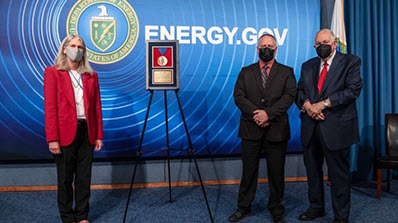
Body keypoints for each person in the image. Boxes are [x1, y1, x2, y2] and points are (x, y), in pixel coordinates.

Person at [295, 29, 363, 223]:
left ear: (334, 44)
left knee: (339, 176)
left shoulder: (351, 62)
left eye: (325, 42)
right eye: (317, 44)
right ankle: (316, 207)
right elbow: (299, 91)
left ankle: (341, 216)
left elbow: (353, 90)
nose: (321, 46)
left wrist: (323, 104)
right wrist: (307, 105)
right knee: (313, 173)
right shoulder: (307, 66)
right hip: (311, 127)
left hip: (336, 128)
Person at [230, 34, 297, 223]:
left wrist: (268, 114)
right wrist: (256, 114)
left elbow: (289, 96)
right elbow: (239, 96)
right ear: (257, 49)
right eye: (263, 45)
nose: (266, 48)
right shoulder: (246, 71)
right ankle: (244, 207)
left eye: (270, 45)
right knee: (248, 172)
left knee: (276, 172)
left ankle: (276, 207)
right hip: (250, 129)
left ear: (276, 49)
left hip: (276, 129)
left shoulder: (287, 72)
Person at [44, 34, 104, 223]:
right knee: (64, 179)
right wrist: (52, 138)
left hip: (87, 131)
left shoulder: (91, 76)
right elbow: (50, 108)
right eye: (72, 46)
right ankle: (68, 218)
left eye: (80, 47)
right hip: (64, 134)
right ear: (64, 49)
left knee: (84, 178)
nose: (76, 50)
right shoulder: (52, 72)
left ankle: (82, 216)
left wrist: (99, 136)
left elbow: (96, 108)